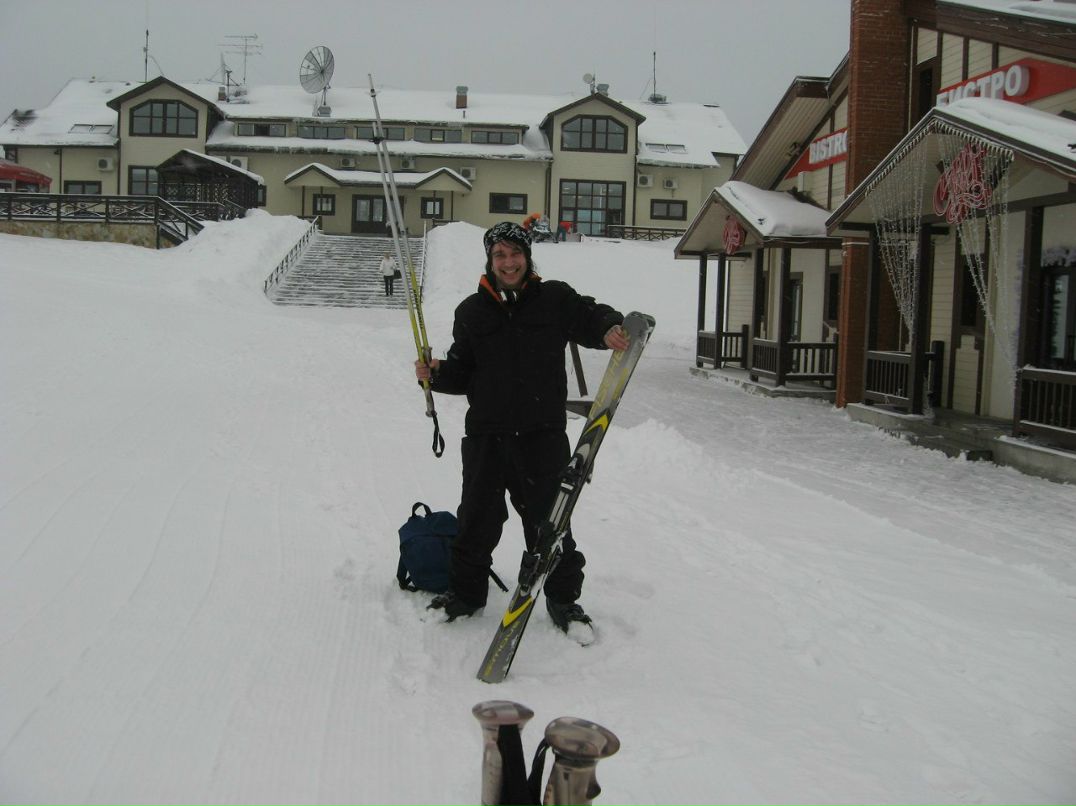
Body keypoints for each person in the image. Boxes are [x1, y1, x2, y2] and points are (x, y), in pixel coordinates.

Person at [414, 222, 630, 639]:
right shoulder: (470, 312)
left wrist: (608, 328)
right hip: (487, 438)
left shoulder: (554, 299)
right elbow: (462, 373)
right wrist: (436, 374)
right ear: (489, 260)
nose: (508, 262)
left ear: (528, 257)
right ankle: (466, 594)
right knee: (476, 520)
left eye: (515, 254)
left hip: (542, 437)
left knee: (551, 524)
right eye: (500, 255)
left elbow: (589, 315)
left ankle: (564, 600)